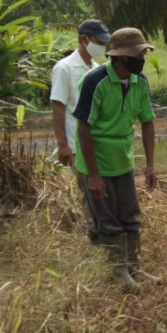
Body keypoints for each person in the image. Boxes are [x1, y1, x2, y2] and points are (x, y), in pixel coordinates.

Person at [73, 27, 159, 292]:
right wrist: (94, 176)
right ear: (121, 57)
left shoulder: (139, 81)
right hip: (96, 163)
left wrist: (150, 165)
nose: (141, 59)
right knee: (107, 219)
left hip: (123, 162)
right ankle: (118, 273)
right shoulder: (94, 81)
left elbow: (147, 123)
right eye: (138, 54)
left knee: (131, 216)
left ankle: (133, 267)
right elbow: (84, 130)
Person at [50, 18, 110, 244]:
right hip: (77, 145)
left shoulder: (97, 70)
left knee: (100, 190)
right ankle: (95, 235)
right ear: (84, 39)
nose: (102, 46)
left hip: (98, 144)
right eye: (99, 41)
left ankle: (102, 233)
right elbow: (58, 106)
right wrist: (63, 144)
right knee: (89, 190)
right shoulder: (64, 68)